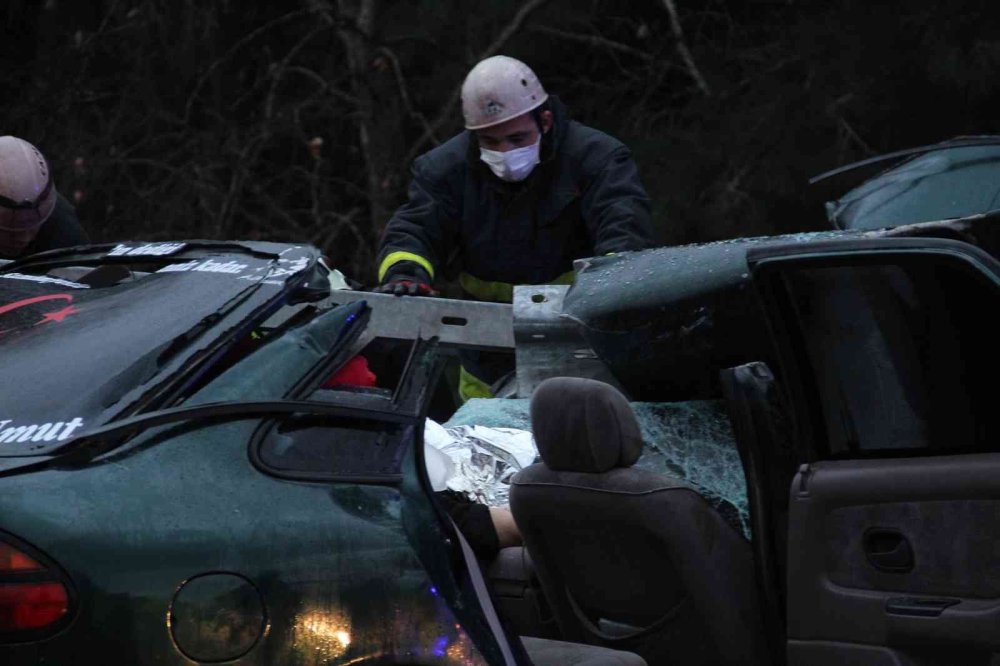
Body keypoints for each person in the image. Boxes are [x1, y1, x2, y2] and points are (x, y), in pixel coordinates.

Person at [376, 56, 656, 400]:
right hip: (484, 351)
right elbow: (415, 227)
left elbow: (623, 224)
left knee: (577, 437)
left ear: (546, 120)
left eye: (517, 138)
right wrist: (406, 274)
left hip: (580, 341)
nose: (505, 153)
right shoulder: (445, 171)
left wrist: (617, 284)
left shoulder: (596, 159)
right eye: (490, 143)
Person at [0, 136, 88, 260]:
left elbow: (81, 274)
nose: (25, 237)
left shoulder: (65, 232)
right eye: (15, 225)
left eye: (31, 222)